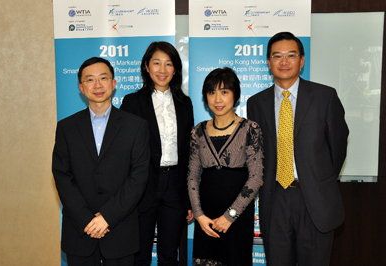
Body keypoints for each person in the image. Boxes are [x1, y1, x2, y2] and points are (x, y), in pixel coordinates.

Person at [247, 32, 349, 266]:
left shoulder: (325, 96)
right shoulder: (256, 103)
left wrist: (317, 179)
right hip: (275, 199)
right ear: (268, 62)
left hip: (314, 199)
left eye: (291, 55)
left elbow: (338, 146)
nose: (284, 62)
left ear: (302, 61)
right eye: (277, 56)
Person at [52, 57, 150, 266]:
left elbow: (138, 177)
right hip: (80, 231)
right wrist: (87, 219)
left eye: (103, 78)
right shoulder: (66, 128)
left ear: (114, 84)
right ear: (81, 87)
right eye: (90, 80)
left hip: (120, 231)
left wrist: (107, 217)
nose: (97, 85)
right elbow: (62, 177)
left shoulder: (136, 127)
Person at [120, 41, 194, 265]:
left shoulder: (184, 103)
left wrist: (190, 198)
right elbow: (124, 152)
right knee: (138, 251)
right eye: (157, 63)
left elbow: (189, 151)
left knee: (169, 252)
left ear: (175, 69)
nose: (162, 70)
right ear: (146, 66)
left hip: (175, 185)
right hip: (143, 185)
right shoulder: (132, 102)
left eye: (169, 64)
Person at [188, 67, 264, 265]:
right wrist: (199, 215)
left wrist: (230, 216)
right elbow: (193, 176)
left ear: (235, 95)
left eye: (224, 92)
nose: (217, 99)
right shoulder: (198, 131)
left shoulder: (250, 129)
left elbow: (256, 178)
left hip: (237, 218)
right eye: (211, 92)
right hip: (206, 219)